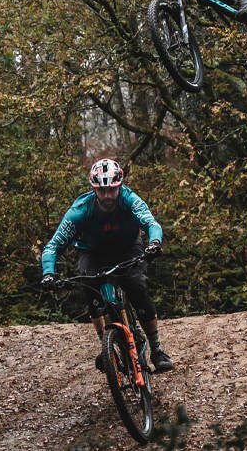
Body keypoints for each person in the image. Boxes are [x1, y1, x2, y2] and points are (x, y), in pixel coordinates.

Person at [39, 158, 174, 373]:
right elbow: (53, 246)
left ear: (119, 186)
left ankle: (157, 350)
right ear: (94, 189)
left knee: (136, 287)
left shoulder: (130, 200)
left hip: (127, 248)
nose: (108, 196)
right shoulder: (80, 209)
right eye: (102, 191)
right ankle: (106, 347)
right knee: (90, 291)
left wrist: (155, 243)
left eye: (112, 190)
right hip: (92, 252)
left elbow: (151, 223)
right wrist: (48, 273)